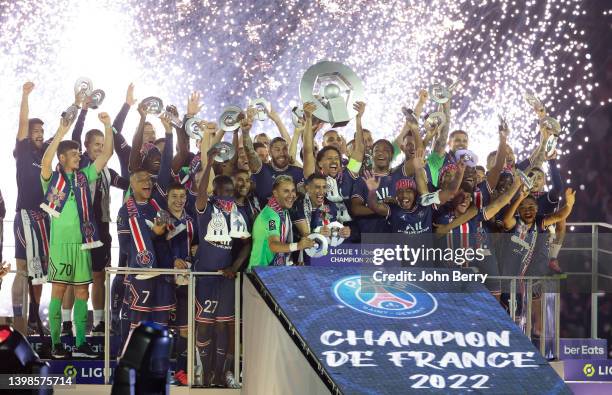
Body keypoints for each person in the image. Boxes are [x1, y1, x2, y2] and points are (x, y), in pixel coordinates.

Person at [41, 111, 114, 358]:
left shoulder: (84, 177)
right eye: (73, 154)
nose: (78, 156)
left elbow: (105, 156)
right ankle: (55, 344)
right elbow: (45, 161)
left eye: (78, 153)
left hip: (83, 243)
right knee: (59, 293)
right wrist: (61, 133)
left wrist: (107, 125)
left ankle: (81, 344)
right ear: (62, 158)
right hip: (61, 245)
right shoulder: (52, 179)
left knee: (83, 292)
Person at [66, 92, 130, 337]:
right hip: (81, 228)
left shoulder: (107, 172)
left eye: (103, 146)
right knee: (75, 278)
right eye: (96, 146)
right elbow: (74, 136)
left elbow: (128, 184)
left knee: (100, 275)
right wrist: (83, 111)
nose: (101, 150)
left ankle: (100, 323)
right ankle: (67, 324)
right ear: (86, 148)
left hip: (102, 227)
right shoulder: (81, 164)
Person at [194, 147, 250, 387]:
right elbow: (200, 193)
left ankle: (219, 373)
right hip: (205, 277)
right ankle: (204, 372)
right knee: (204, 327)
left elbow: (247, 244)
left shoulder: (237, 213)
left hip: (225, 279)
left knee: (222, 327)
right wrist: (208, 164)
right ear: (214, 192)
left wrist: (235, 267)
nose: (227, 195)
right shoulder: (206, 208)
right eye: (222, 191)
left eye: (230, 191)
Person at [13, 82, 51, 336]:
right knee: (23, 269)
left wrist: (78, 107)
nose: (38, 134)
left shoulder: (45, 155)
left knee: (39, 273)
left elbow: (63, 136)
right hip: (24, 216)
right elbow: (23, 122)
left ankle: (35, 317)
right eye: (34, 131)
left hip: (44, 219)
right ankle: (19, 321)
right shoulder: (24, 150)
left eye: (41, 131)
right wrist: (25, 95)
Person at [164, 182, 198, 385]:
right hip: (164, 281)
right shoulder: (161, 219)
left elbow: (196, 246)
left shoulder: (192, 221)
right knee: (163, 327)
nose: (179, 200)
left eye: (182, 196)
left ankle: (180, 371)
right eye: (174, 196)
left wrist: (193, 255)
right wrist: (170, 261)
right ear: (167, 199)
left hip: (185, 281)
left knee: (185, 329)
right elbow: (156, 246)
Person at [248, 175, 314, 269]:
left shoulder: (283, 211)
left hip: (272, 271)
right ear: (275, 193)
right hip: (259, 273)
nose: (291, 195)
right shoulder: (271, 216)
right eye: (286, 191)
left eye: (293, 190)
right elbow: (274, 245)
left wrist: (289, 262)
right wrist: (298, 246)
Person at [242, 107, 304, 203]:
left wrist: (279, 121)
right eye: (277, 150)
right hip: (267, 217)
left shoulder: (298, 171)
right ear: (269, 153)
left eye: (284, 149)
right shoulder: (262, 170)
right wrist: (245, 133)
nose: (282, 153)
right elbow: (250, 153)